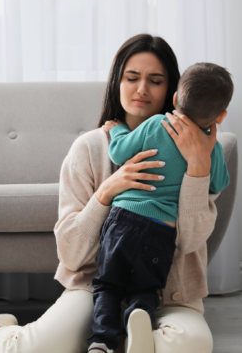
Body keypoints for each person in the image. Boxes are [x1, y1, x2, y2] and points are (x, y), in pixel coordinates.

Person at [0, 34, 224, 353]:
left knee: (192, 344)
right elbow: (71, 253)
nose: (142, 89)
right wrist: (107, 191)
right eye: (132, 78)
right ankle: (0, 329)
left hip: (170, 293)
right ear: (117, 82)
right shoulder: (89, 148)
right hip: (94, 290)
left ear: (173, 92)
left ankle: (118, 339)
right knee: (29, 349)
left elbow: (191, 241)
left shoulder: (201, 148)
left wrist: (198, 167)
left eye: (155, 80)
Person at [87, 61, 232, 352]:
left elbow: (118, 150)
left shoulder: (155, 124)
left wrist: (116, 130)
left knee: (108, 286)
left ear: (175, 98)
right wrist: (206, 155)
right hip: (163, 231)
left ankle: (101, 342)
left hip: (124, 219)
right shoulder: (210, 149)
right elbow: (218, 184)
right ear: (221, 116)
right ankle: (138, 317)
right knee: (146, 288)